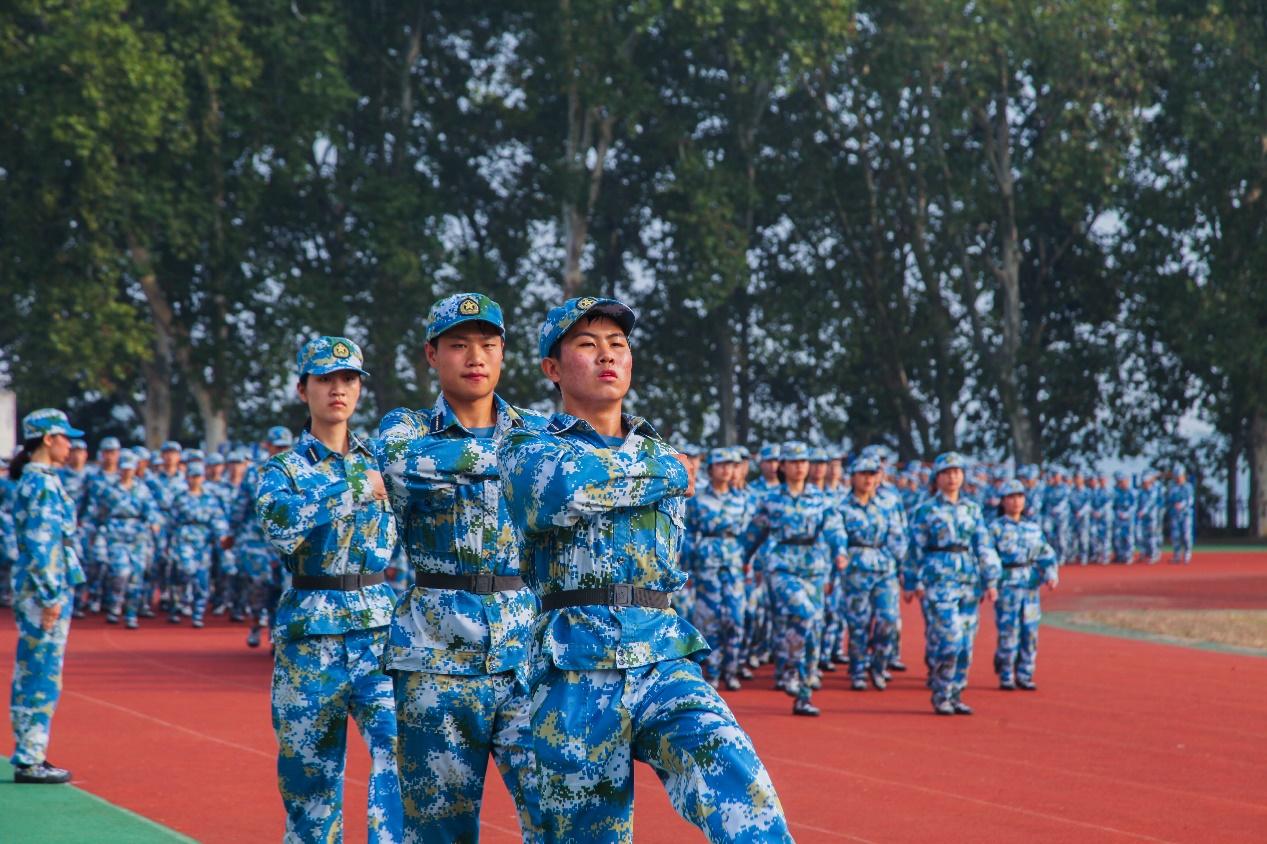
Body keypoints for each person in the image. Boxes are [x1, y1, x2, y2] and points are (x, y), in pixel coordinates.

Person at [498, 296, 791, 842]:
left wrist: (655, 466)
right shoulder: (526, 446)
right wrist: (669, 472)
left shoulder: (656, 448)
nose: (607, 355)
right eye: (588, 344)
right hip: (575, 667)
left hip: (660, 654)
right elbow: (564, 489)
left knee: (745, 792)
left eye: (618, 344)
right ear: (552, 368)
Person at [378, 292, 545, 842]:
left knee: (558, 816)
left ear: (503, 354)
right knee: (439, 829)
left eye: (488, 345)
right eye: (458, 345)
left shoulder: (541, 429)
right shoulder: (406, 428)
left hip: (529, 655)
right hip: (436, 656)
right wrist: (520, 461)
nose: (475, 357)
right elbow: (403, 466)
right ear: (432, 354)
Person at [256, 336, 403, 842]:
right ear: (303, 390)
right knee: (309, 778)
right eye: (325, 379)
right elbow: (281, 527)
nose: (338, 389)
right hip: (311, 634)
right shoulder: (283, 469)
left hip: (378, 630)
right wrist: (357, 489)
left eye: (348, 379)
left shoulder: (383, 460)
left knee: (400, 753)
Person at [7, 408, 86, 784]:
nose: (71, 446)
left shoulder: (40, 479)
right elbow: (41, 546)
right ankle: (30, 757)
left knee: (36, 669)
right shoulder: (39, 483)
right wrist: (52, 595)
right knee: (41, 672)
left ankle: (31, 752)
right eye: (65, 438)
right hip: (43, 590)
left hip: (41, 587)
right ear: (48, 439)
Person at [744, 440, 847, 717]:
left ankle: (803, 693)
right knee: (805, 614)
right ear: (783, 466)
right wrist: (743, 559)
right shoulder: (771, 500)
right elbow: (754, 533)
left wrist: (840, 552)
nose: (800, 467)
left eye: (803, 462)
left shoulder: (820, 499)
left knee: (814, 630)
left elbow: (835, 528)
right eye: (793, 462)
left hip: (814, 568)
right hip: (782, 567)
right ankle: (789, 667)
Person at [904, 452, 1000, 716]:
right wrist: (910, 581)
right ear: (937, 478)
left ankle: (956, 693)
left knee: (966, 643)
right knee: (950, 638)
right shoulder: (925, 510)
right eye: (947, 473)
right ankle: (942, 691)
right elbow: (914, 549)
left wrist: (991, 579)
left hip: (968, 580)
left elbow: (983, 545)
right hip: (939, 580)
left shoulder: (972, 509)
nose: (952, 477)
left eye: (957, 472)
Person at [838, 454, 908, 691]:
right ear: (853, 477)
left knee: (888, 620)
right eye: (863, 474)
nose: (868, 479)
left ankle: (878, 665)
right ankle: (858, 669)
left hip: (884, 567)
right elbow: (837, 539)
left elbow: (898, 537)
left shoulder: (887, 505)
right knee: (858, 623)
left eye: (872, 474)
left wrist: (904, 567)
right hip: (855, 569)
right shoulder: (842, 507)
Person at [684, 448, 751, 691]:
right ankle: (711, 671)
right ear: (711, 469)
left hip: (734, 564)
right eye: (721, 465)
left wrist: (749, 562)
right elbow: (688, 534)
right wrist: (687, 567)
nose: (726, 470)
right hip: (706, 565)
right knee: (709, 619)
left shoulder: (743, 499)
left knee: (735, 618)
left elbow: (750, 535)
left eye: (731, 465)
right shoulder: (698, 500)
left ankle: (730, 669)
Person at [990, 481, 1058, 691]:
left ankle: (1025, 673)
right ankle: (1006, 673)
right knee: (1009, 631)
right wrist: (990, 583)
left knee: (1030, 632)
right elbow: (987, 558)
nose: (1016, 501)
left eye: (1020, 496)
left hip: (1029, 586)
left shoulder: (1032, 528)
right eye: (1011, 497)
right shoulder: (995, 528)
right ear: (1003, 501)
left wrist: (1051, 573)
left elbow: (1046, 553)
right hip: (1007, 585)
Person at [91, 451, 162, 628]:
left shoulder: (142, 489)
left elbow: (152, 510)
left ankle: (131, 614)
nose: (127, 472)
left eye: (130, 468)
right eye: (124, 468)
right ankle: (115, 605)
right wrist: (95, 532)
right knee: (120, 573)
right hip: (116, 534)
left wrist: (154, 523)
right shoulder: (109, 490)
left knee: (136, 576)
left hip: (138, 536)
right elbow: (98, 513)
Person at [167, 463, 232, 628]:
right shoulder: (180, 498)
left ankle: (198, 613)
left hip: (204, 542)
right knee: (185, 571)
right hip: (184, 539)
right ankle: (180, 603)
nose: (195, 480)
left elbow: (218, 520)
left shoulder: (210, 499)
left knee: (202, 577)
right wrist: (168, 542)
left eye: (198, 476)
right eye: (192, 476)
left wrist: (222, 537)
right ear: (187, 478)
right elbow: (171, 522)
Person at [1168, 467, 1195, 564]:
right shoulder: (1172, 487)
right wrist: (1173, 504)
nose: (1178, 478)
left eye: (1179, 476)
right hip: (1175, 514)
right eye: (1176, 477)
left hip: (1186, 514)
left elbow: (1190, 500)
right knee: (1175, 536)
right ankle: (1177, 555)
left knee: (1186, 535)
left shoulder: (1188, 487)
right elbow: (1170, 499)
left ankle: (1187, 553)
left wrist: (1182, 505)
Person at [1111, 471, 1137, 564]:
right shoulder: (1117, 492)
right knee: (1117, 537)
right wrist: (1118, 512)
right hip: (1119, 519)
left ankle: (1129, 556)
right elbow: (1114, 505)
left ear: (1127, 480)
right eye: (1119, 482)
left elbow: (1135, 505)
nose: (1121, 483)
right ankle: (1120, 555)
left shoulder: (1132, 492)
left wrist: (1127, 514)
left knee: (1128, 538)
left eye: (1122, 481)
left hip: (1129, 519)